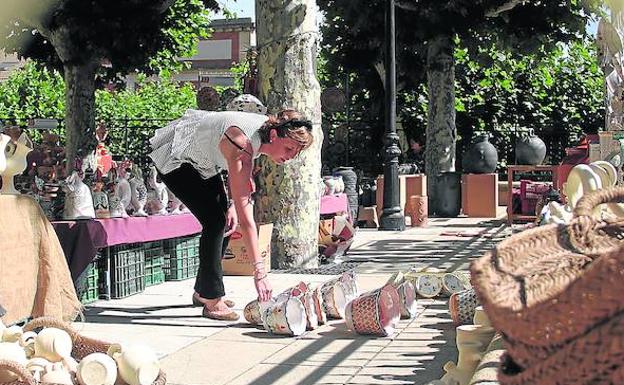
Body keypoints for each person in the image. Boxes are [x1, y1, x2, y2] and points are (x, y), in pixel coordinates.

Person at [148, 101, 314, 321]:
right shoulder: (241, 144)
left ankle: (203, 289)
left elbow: (243, 185)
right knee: (214, 221)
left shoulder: (259, 137)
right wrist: (259, 272)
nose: (292, 156)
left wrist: (233, 206)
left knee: (224, 222)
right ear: (274, 135)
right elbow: (248, 221)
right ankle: (211, 298)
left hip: (204, 160)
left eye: (297, 152)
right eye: (289, 148)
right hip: (176, 157)